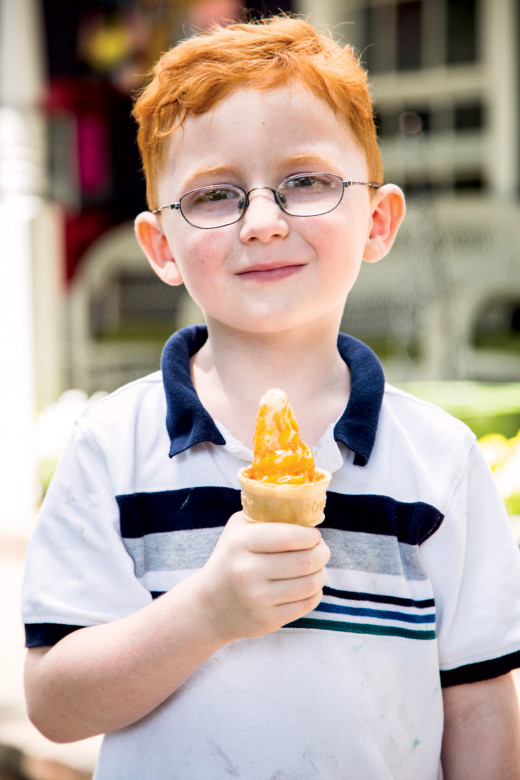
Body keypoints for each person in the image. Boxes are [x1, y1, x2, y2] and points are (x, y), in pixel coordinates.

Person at [22, 15, 520, 779]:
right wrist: (205, 613)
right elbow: (56, 706)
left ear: (378, 221)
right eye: (216, 195)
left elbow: (481, 701)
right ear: (162, 247)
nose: (262, 222)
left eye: (307, 181)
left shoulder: (439, 463)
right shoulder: (115, 445)